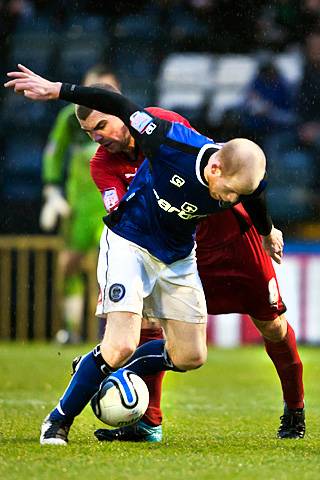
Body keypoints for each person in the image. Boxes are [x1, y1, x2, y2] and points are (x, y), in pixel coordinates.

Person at [5, 65, 285, 443]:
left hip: (178, 253)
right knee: (120, 343)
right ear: (215, 167)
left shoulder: (240, 178)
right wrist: (57, 90)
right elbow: (115, 101)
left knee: (190, 356)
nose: (230, 201)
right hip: (131, 241)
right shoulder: (167, 140)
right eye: (229, 193)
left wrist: (268, 232)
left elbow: (256, 196)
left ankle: (100, 365)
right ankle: (58, 421)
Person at [40, 64, 120, 343]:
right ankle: (70, 329)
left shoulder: (123, 122)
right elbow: (54, 151)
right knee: (70, 266)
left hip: (110, 209)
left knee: (112, 269)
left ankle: (109, 332)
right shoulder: (69, 118)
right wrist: (52, 191)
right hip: (77, 208)